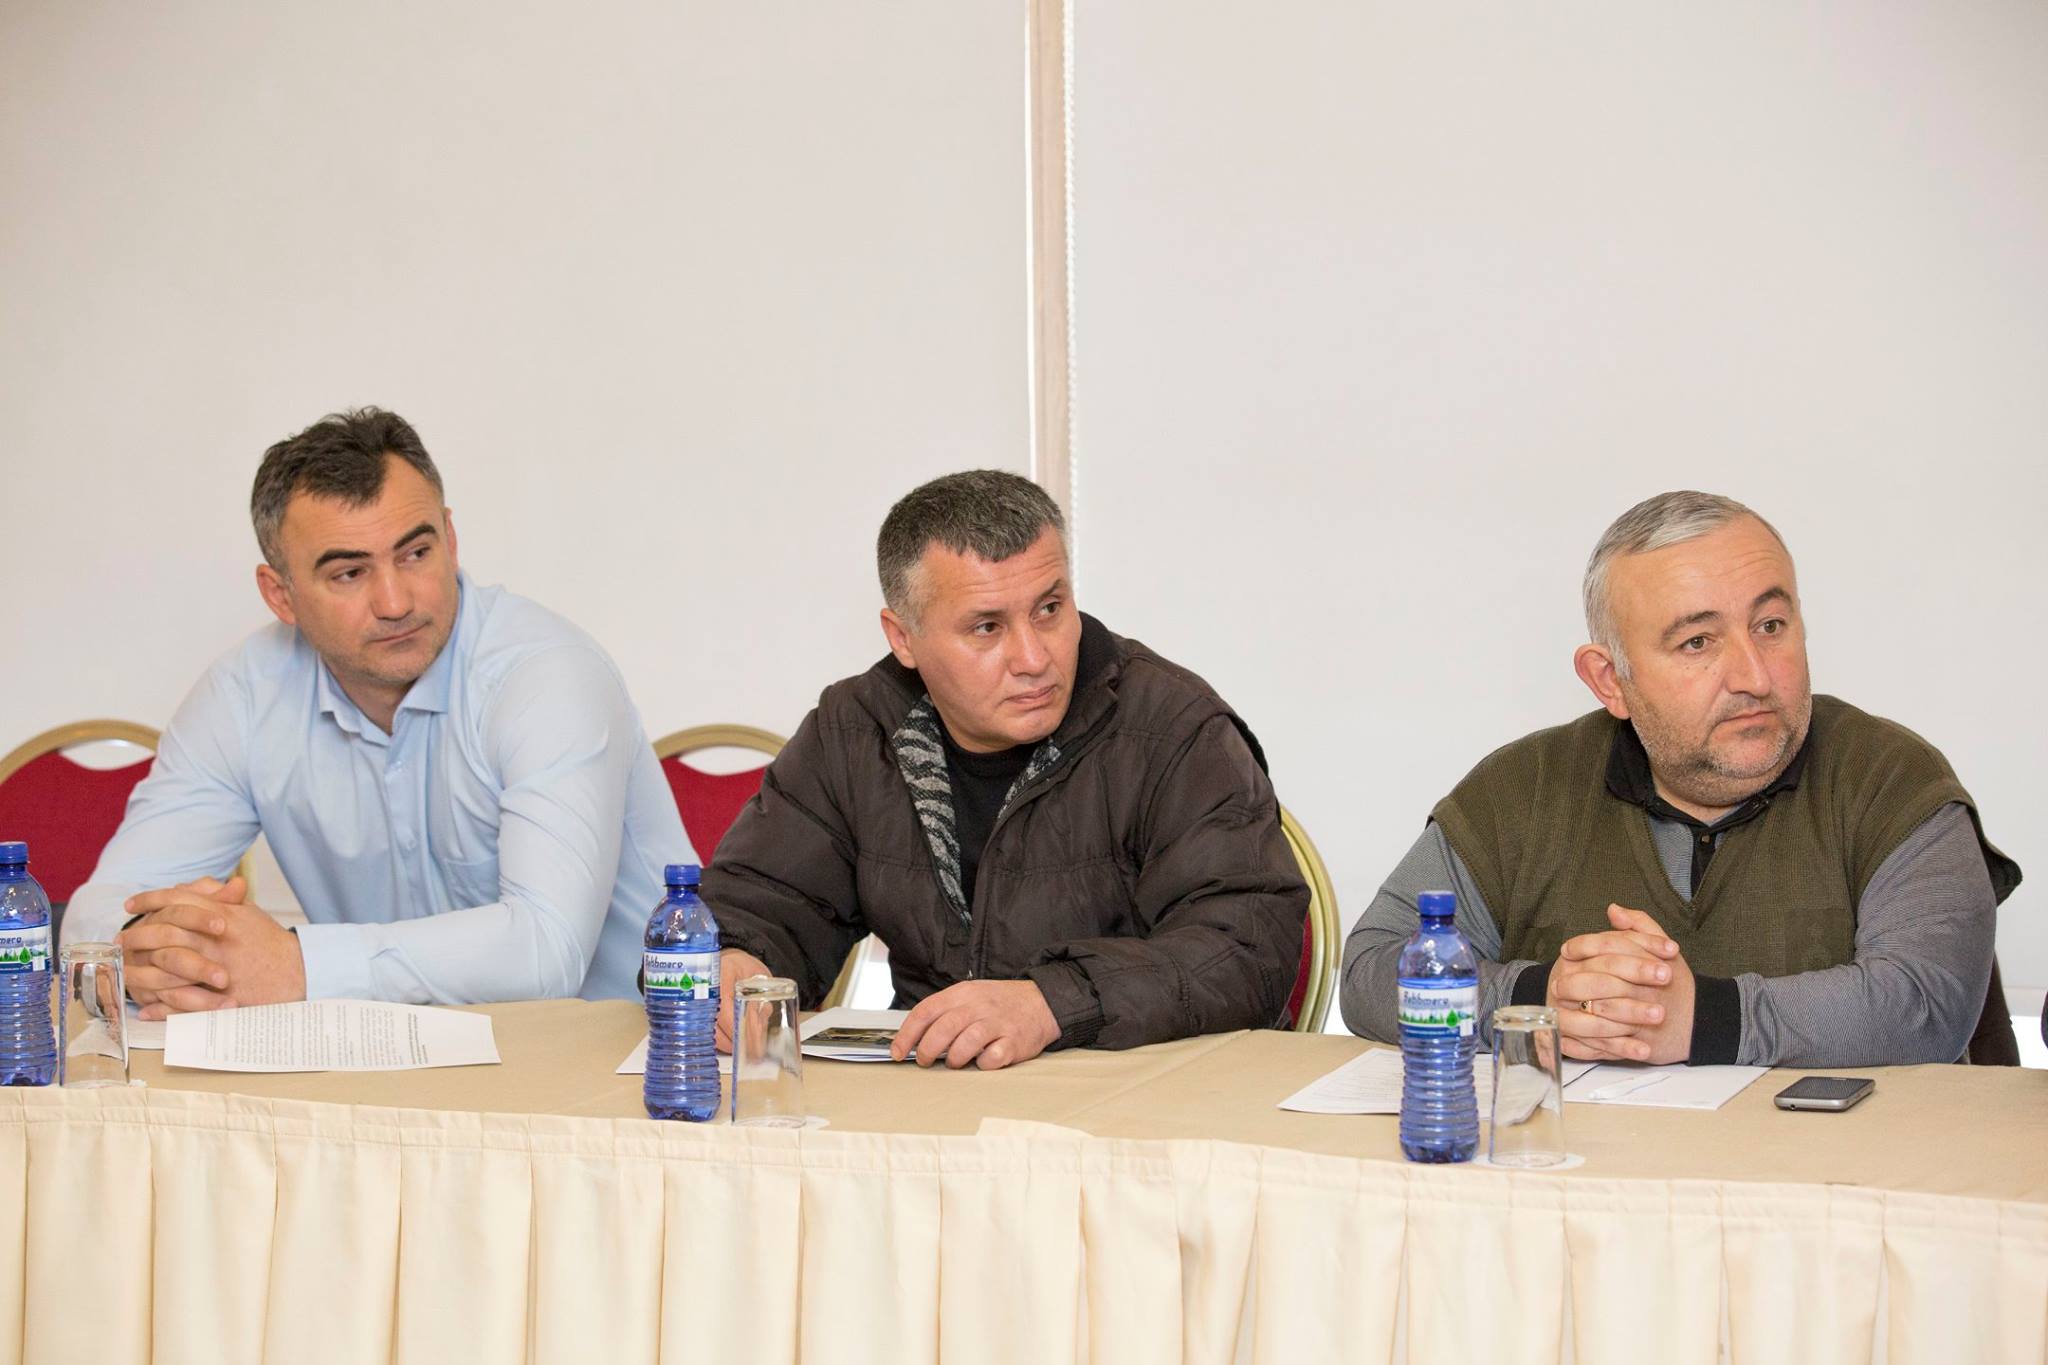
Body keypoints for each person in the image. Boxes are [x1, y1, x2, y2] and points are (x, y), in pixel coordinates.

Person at [1340, 491, 2020, 1067]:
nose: (1754, 676)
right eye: (1698, 642)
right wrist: (1539, 1000)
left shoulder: (1890, 776)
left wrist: (1703, 1020)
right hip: (1592, 1176)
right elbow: (1372, 970)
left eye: (1771, 625)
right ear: (1610, 680)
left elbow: (1926, 1004)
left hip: (1846, 1177)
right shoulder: (1523, 788)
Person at [62, 408, 690, 1015]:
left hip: (624, 1061)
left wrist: (296, 964)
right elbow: (99, 910)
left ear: (450, 540)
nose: (395, 602)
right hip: (388, 1064)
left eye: (415, 554)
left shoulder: (547, 675)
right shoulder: (244, 695)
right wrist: (151, 953)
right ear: (280, 595)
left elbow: (547, 952)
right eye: (349, 573)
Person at [703, 469, 1308, 1070]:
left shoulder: (1174, 727)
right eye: (987, 627)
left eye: (1050, 609)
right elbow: (760, 905)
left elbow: (1248, 948)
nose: (1034, 658)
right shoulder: (855, 730)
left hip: (1143, 1088)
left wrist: (1052, 1003)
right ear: (903, 638)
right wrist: (734, 958)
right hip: (931, 1091)